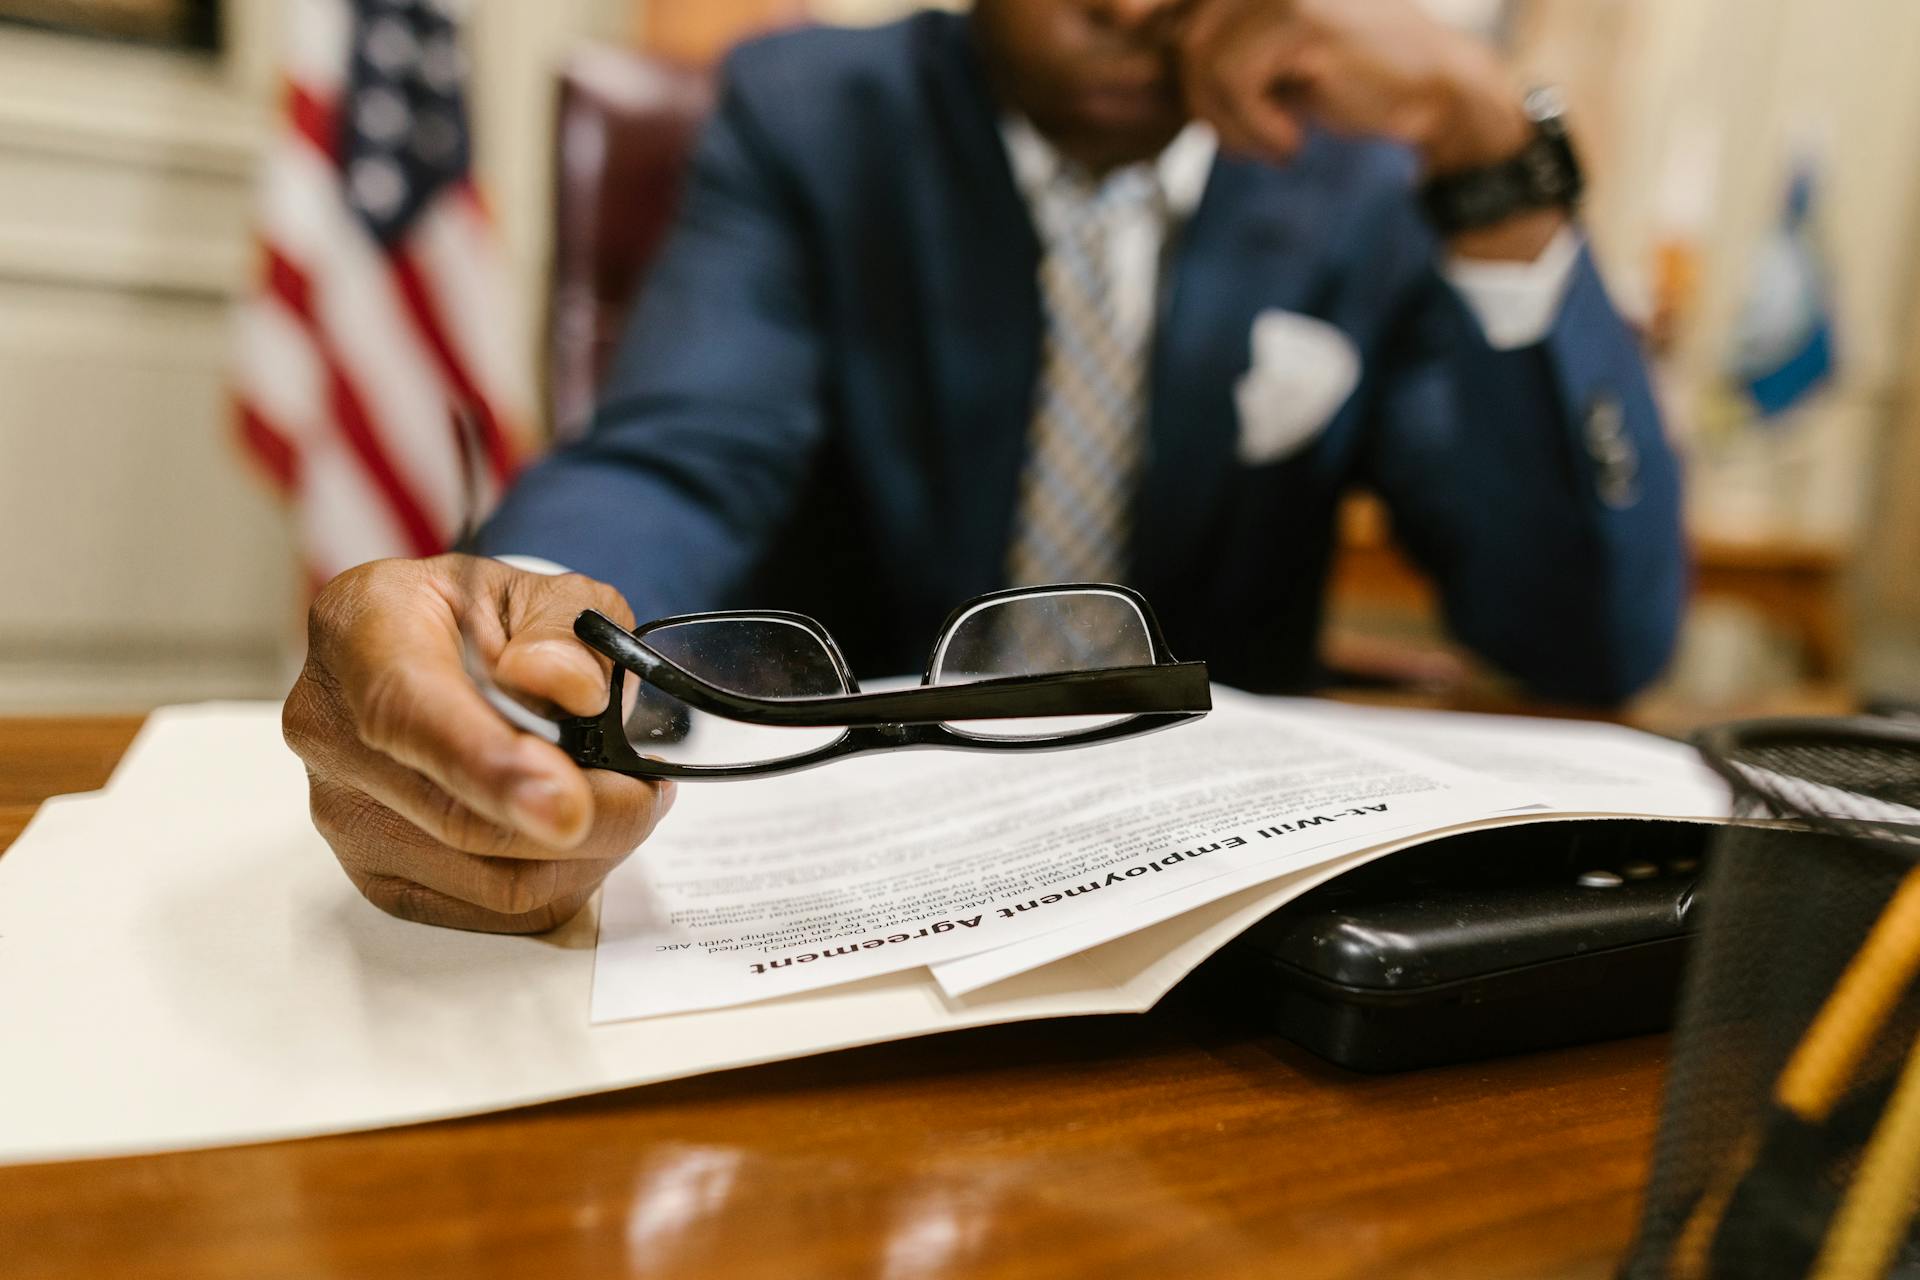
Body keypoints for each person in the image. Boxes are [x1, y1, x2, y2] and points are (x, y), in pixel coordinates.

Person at [283, 0, 1686, 934]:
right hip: (825, 852)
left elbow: (1585, 634)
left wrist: (1488, 147)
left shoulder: (1360, 180)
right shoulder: (813, 111)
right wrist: (518, 627)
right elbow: (683, 453)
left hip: (1213, 897)